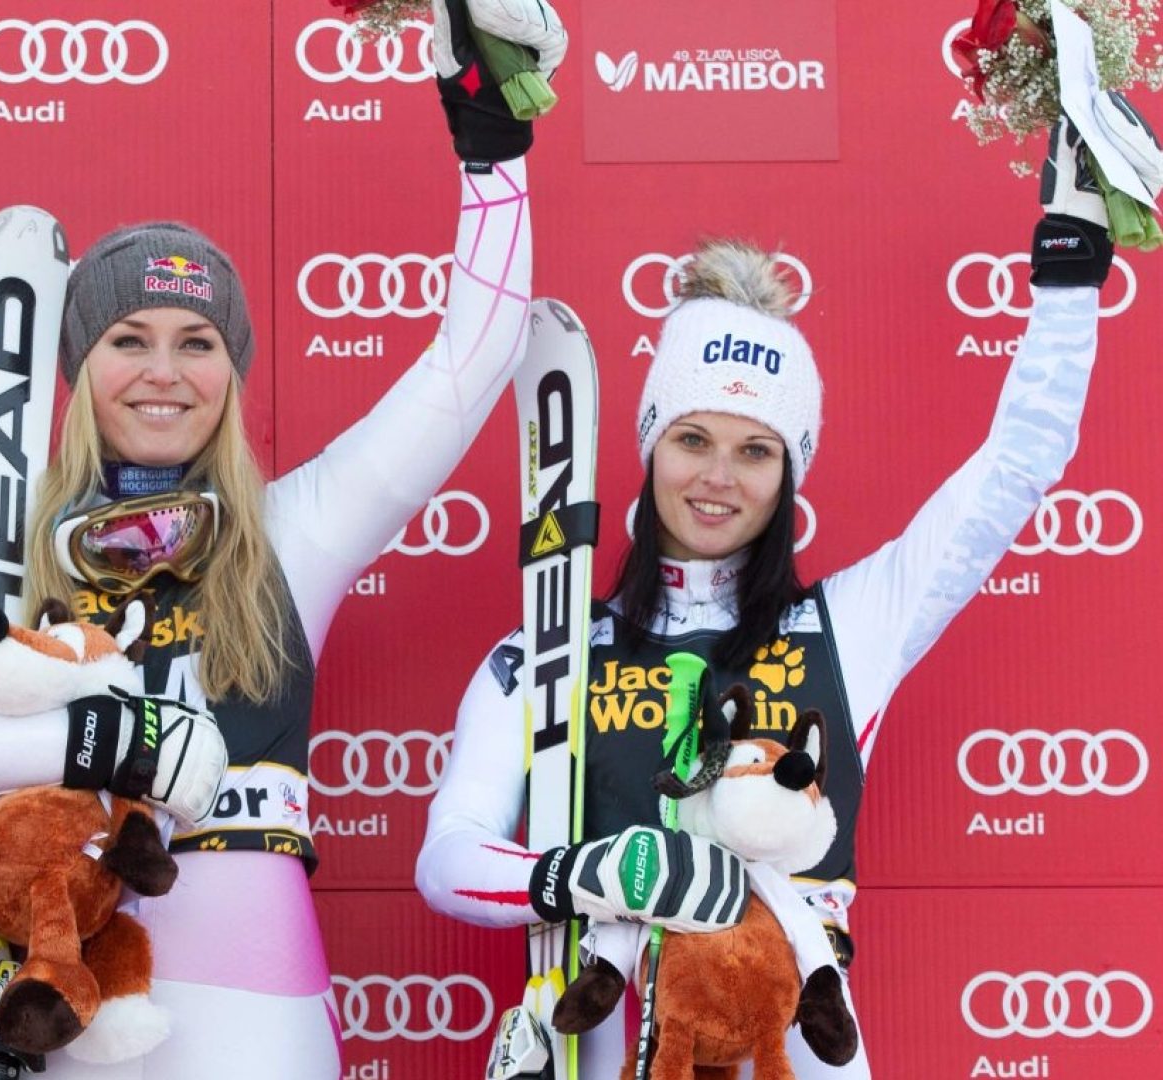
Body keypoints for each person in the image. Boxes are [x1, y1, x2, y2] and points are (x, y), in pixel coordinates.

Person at [0, 3, 567, 1076]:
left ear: (231, 375)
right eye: (129, 338)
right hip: (52, 997)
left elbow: (467, 365)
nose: (164, 370)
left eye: (198, 343)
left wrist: (491, 148)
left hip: (255, 998)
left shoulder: (295, 528)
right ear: (76, 368)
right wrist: (102, 751)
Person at [413, 100, 1131, 1076]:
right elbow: (447, 857)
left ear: (789, 475)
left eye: (757, 452)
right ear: (652, 443)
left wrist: (1070, 270)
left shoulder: (852, 626)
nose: (719, 477)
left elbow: (1020, 463)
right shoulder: (545, 653)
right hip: (624, 1042)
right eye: (693, 439)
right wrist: (588, 872)